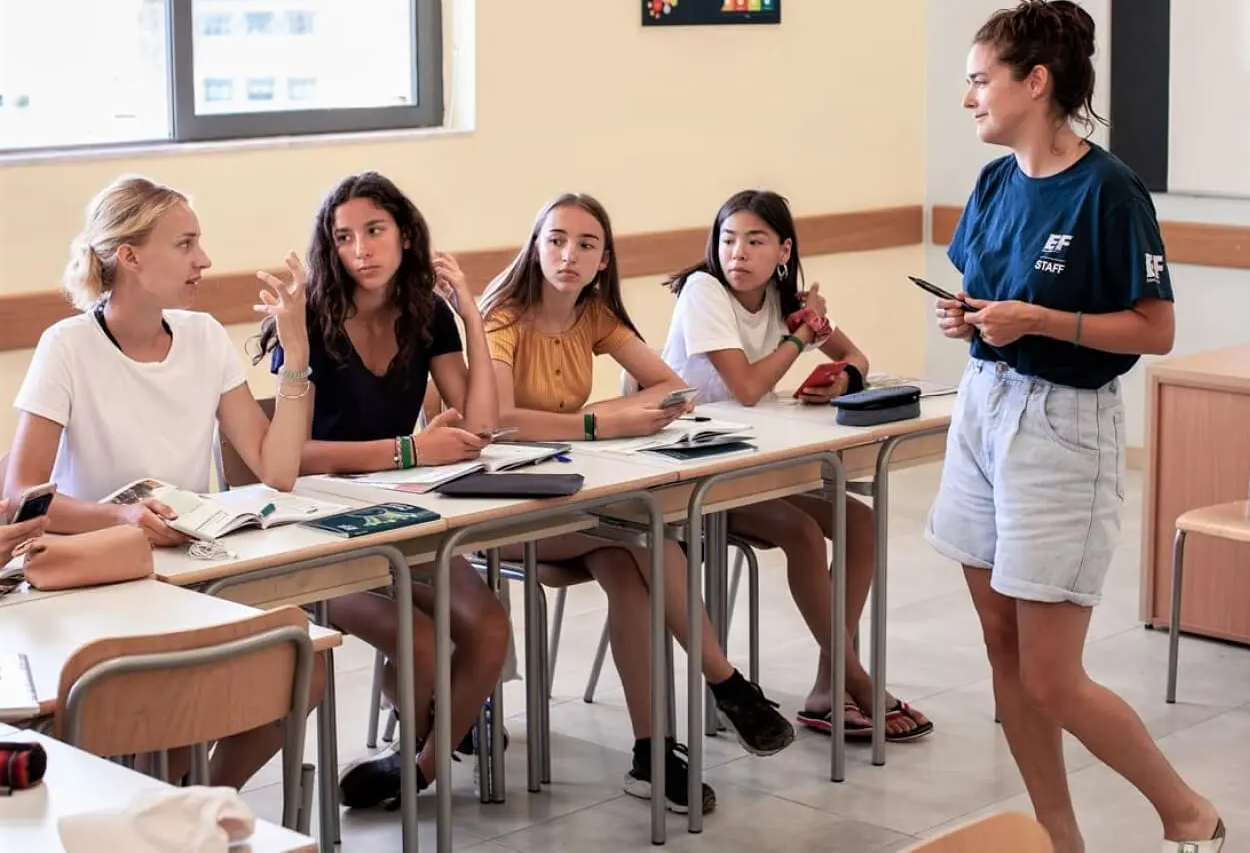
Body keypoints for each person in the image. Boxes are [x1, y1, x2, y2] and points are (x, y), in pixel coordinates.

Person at [926, 0, 1224, 853]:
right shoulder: (993, 182)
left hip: (1063, 426)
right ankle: (1059, 837)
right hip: (983, 406)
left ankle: (1185, 811)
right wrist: (971, 317)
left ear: (1036, 82)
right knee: (1000, 647)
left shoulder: (1110, 191)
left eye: (981, 80)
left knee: (1052, 676)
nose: (969, 97)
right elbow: (988, 295)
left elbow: (1155, 329)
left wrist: (1040, 322)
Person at [479, 192, 796, 815]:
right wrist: (599, 426)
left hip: (565, 495)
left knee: (634, 562)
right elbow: (498, 423)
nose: (569, 255)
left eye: (587, 245)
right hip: (493, 506)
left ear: (603, 261)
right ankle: (726, 683)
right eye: (557, 240)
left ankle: (653, 755)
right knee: (642, 540)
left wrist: (590, 418)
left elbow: (672, 387)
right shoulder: (501, 316)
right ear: (535, 246)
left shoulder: (593, 315)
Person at [4, 174, 324, 789]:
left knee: (308, 669)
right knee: (175, 710)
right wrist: (122, 518)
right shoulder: (66, 346)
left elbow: (276, 469)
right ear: (129, 256)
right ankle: (176, 796)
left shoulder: (203, 337)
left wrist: (296, 353)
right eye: (185, 244)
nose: (204, 260)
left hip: (189, 569)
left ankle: (199, 797)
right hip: (101, 582)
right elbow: (22, 495)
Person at [252, 171, 512, 809]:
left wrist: (472, 318)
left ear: (405, 235)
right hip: (311, 527)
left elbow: (481, 426)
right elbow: (291, 456)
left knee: (490, 628)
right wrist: (409, 449)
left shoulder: (425, 314)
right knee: (421, 640)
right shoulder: (308, 320)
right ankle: (433, 725)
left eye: (374, 231)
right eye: (344, 237)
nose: (361, 250)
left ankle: (419, 763)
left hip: (403, 515)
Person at [659, 189, 934, 742]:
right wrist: (800, 337)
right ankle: (856, 677)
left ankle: (830, 683)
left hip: (750, 461)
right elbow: (747, 388)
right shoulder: (703, 290)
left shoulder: (785, 299)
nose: (737, 252)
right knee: (804, 533)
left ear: (783, 251)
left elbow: (857, 358)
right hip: (686, 471)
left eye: (755, 241)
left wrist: (842, 376)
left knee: (859, 520)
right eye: (727, 239)